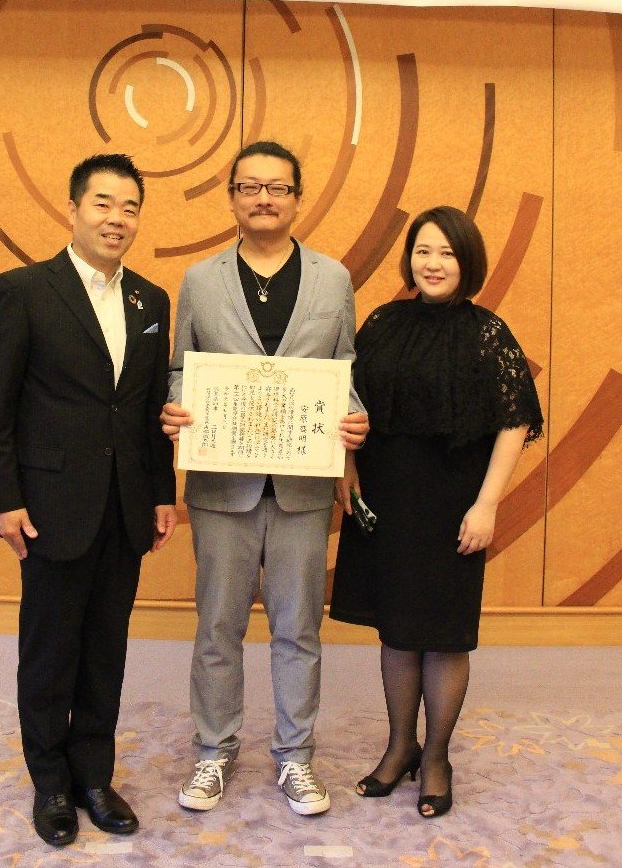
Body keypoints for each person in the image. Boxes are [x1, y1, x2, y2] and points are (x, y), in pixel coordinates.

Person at [160, 141, 368, 816]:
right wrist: (180, 406)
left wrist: (355, 418)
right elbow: (178, 368)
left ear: (298, 198)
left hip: (304, 487)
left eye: (278, 188)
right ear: (232, 197)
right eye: (250, 187)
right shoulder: (200, 280)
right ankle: (214, 752)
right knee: (217, 627)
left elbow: (346, 373)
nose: (264, 199)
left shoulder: (334, 279)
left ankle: (295, 758)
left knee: (298, 628)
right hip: (223, 486)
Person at [0, 154, 177, 847]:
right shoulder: (26, 290)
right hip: (52, 504)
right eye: (102, 203)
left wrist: (161, 494)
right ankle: (51, 784)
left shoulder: (152, 300)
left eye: (129, 207)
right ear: (72, 209)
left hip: (125, 508)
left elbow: (150, 408)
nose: (116, 218)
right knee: (50, 649)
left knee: (105, 649)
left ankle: (94, 775)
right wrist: (3, 498)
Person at [331, 205, 543, 819]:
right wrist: (349, 472)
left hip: (454, 504)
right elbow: (351, 407)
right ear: (410, 259)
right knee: (396, 626)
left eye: (447, 253)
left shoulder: (488, 333)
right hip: (387, 498)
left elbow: (516, 421)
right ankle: (399, 747)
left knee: (444, 634)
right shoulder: (381, 323)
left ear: (467, 262)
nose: (433, 263)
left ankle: (436, 758)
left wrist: (487, 505)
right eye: (424, 250)